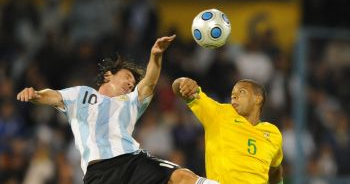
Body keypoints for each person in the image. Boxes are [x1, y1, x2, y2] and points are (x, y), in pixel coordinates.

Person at [17, 35, 219, 184]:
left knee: (182, 177)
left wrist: (155, 56)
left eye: (132, 83)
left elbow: (149, 82)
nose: (130, 84)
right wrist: (35, 94)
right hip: (99, 174)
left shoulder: (131, 101)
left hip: (132, 161)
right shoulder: (82, 94)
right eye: (127, 78)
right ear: (108, 76)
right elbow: (52, 95)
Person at [172, 77, 284, 184]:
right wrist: (183, 82)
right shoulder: (219, 114)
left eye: (242, 92)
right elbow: (179, 88)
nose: (234, 96)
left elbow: (275, 169)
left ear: (258, 98)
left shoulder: (273, 133)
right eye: (232, 95)